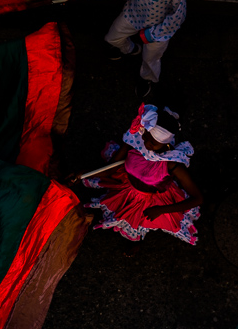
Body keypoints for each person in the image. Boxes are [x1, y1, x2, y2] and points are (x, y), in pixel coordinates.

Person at [75, 103, 202, 253]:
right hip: (127, 190)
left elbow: (197, 198)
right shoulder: (135, 142)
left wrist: (161, 210)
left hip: (153, 201)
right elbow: (111, 168)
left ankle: (136, 242)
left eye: (153, 143)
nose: (146, 144)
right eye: (146, 137)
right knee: (127, 219)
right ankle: (133, 239)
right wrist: (81, 173)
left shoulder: (172, 165)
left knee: (140, 223)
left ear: (165, 144)